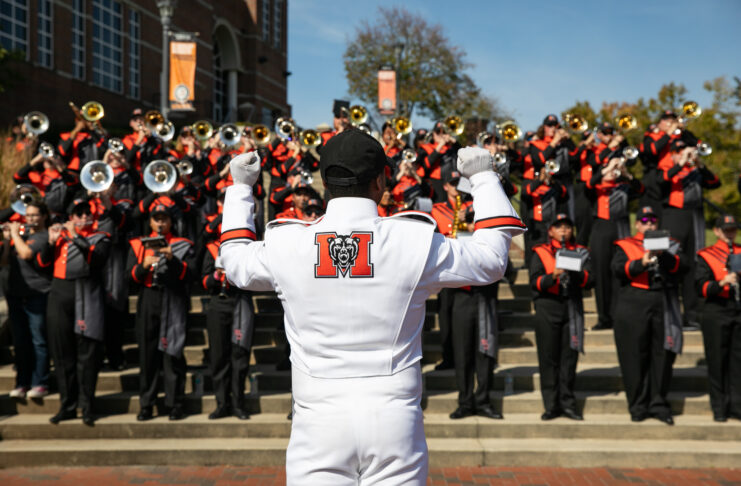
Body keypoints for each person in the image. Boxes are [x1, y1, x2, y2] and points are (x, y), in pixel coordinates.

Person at [219, 129, 525, 484]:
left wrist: (241, 188)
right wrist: (484, 178)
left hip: (317, 419)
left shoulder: (286, 242)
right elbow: (491, 260)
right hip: (393, 416)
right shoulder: (414, 238)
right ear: (381, 180)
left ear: (325, 182)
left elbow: (235, 262)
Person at [611, 206, 686, 425]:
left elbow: (684, 268)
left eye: (653, 220)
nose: (650, 224)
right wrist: (642, 262)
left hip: (662, 300)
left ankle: (658, 404)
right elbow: (616, 269)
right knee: (634, 355)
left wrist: (664, 256)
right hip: (634, 301)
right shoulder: (625, 245)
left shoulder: (671, 244)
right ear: (637, 224)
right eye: (645, 220)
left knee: (662, 354)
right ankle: (638, 405)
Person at [40, 199, 111, 425]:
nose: (81, 219)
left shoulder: (100, 237)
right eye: (77, 214)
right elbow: (42, 263)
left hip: (87, 292)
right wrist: (50, 242)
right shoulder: (59, 236)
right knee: (62, 354)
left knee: (87, 355)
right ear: (70, 217)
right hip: (60, 293)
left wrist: (73, 236)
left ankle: (87, 406)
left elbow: (97, 259)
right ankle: (67, 405)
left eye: (85, 214)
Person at [127, 205, 195, 421]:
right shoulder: (138, 245)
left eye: (164, 219)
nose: (160, 223)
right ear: (150, 222)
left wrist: (172, 258)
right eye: (156, 219)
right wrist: (143, 266)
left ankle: (175, 403)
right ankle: (147, 404)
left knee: (173, 354)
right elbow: (128, 279)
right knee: (147, 354)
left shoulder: (183, 244)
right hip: (149, 299)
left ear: (171, 222)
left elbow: (190, 274)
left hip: (173, 298)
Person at [530, 214, 593, 420]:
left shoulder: (581, 251)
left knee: (569, 357)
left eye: (567, 227)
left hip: (571, 304)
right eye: (559, 228)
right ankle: (551, 405)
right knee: (548, 358)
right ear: (551, 231)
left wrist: (573, 271)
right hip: (548, 306)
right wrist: (554, 275)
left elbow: (590, 280)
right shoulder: (540, 252)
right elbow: (535, 282)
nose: (564, 231)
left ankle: (568, 403)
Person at [659, 138, 720, 329]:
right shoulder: (667, 167)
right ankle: (668, 313)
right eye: (679, 150)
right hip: (674, 216)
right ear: (673, 153)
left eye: (685, 150)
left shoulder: (695, 170)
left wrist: (699, 164)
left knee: (693, 263)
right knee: (671, 261)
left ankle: (691, 315)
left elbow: (715, 183)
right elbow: (661, 182)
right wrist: (680, 162)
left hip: (695, 216)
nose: (684, 153)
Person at [3, 202, 53, 399]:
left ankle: (40, 382)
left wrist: (15, 235)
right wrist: (8, 241)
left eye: (34, 215)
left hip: (37, 294)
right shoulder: (22, 236)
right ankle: (22, 382)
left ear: (44, 217)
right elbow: (5, 261)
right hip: (16, 294)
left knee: (39, 341)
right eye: (27, 215)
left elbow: (26, 254)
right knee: (20, 342)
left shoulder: (44, 235)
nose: (30, 219)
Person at [696, 215, 741, 422]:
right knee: (717, 361)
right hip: (716, 309)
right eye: (726, 230)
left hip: (738, 309)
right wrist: (722, 282)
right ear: (716, 231)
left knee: (737, 362)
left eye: (732, 229)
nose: (729, 233)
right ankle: (719, 407)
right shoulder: (706, 255)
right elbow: (701, 286)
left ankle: (737, 406)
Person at [202, 239, 252, 420]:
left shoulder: (248, 247)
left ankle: (239, 404)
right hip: (218, 303)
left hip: (240, 301)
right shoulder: (211, 247)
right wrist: (216, 276)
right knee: (218, 355)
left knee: (240, 355)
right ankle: (222, 404)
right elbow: (203, 280)